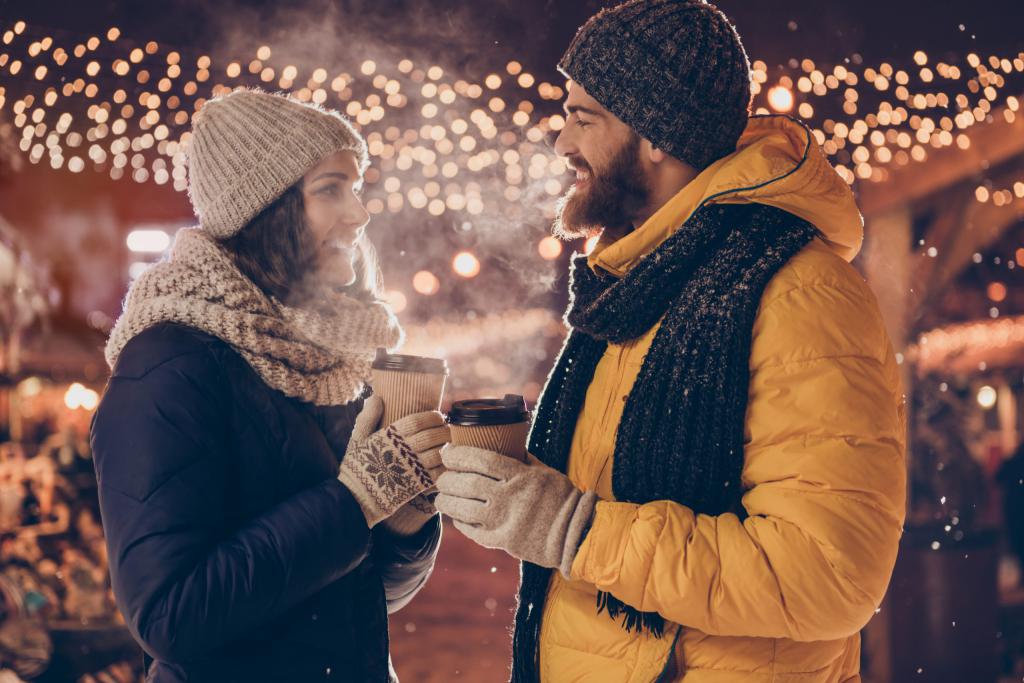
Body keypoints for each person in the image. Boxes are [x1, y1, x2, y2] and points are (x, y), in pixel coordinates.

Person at [435, 1, 907, 681]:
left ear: (655, 133)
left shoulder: (801, 296)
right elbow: (591, 501)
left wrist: (576, 530)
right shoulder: (635, 290)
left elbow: (825, 577)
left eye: (584, 116)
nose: (562, 142)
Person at [91, 88, 449, 682]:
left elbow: (361, 597)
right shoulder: (168, 363)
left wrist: (403, 520)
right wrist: (355, 499)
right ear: (266, 206)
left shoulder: (329, 358)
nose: (359, 214)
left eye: (355, 188)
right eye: (331, 188)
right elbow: (167, 617)